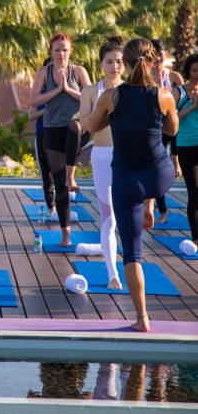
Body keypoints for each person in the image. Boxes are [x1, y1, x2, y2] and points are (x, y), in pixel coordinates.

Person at [84, 37, 178, 332]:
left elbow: (92, 127)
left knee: (133, 253)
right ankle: (150, 204)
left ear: (123, 62)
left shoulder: (111, 96)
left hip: (126, 179)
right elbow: (172, 129)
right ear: (152, 63)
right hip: (160, 177)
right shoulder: (163, 94)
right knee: (154, 173)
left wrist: (114, 119)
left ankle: (142, 319)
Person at [29, 34, 90, 246]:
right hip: (52, 129)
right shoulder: (43, 73)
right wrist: (56, 90)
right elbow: (33, 100)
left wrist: (69, 89)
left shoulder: (79, 71)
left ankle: (72, 175)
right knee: (59, 184)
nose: (61, 54)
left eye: (65, 50)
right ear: (51, 52)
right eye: (57, 50)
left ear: (70, 50)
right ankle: (66, 235)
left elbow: (90, 100)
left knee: (75, 125)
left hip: (76, 129)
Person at [80, 36, 124, 289]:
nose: (114, 67)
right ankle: (112, 274)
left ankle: (128, 265)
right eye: (109, 62)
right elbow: (84, 124)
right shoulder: (90, 91)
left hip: (126, 158)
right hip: (102, 155)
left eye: (119, 62)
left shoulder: (129, 90)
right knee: (108, 218)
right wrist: (104, 110)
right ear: (101, 64)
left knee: (126, 218)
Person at [151, 38, 184, 222]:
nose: (157, 59)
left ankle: (176, 163)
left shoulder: (174, 77)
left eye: (160, 56)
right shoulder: (147, 75)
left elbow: (182, 99)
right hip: (155, 127)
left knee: (171, 158)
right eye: (154, 56)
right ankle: (162, 210)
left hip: (173, 124)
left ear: (166, 56)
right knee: (156, 168)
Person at [172, 52, 198, 246]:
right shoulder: (179, 92)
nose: (197, 74)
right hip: (186, 145)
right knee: (194, 192)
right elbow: (172, 119)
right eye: (195, 70)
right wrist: (192, 106)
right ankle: (195, 237)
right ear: (188, 71)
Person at [29, 57, 55, 213]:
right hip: (42, 134)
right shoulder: (40, 93)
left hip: (61, 136)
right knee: (46, 174)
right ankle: (51, 208)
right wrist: (48, 110)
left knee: (61, 173)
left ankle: (62, 206)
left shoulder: (67, 89)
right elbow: (31, 116)